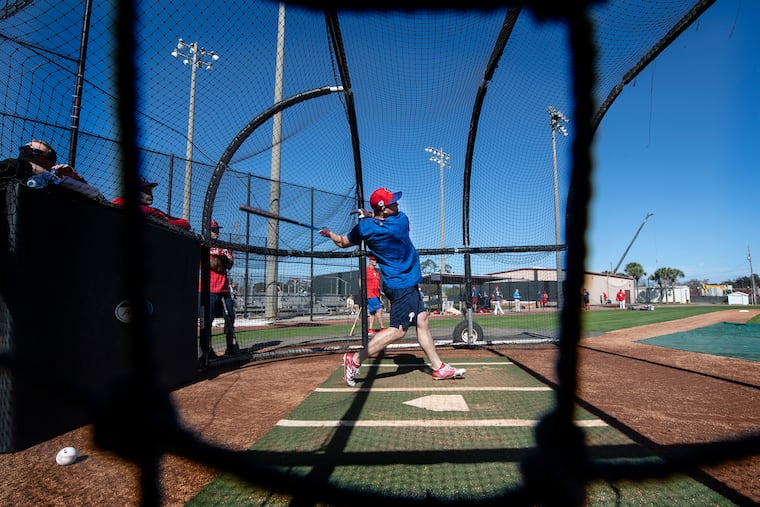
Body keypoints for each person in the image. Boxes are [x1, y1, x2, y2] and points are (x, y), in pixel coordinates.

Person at [320, 187, 466, 385]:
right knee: (398, 330)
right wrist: (370, 216)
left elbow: (343, 242)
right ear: (384, 210)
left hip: (402, 283)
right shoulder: (402, 220)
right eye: (392, 203)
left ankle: (438, 367)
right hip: (402, 285)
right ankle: (354, 360)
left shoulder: (365, 228)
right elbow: (382, 220)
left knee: (422, 321)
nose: (397, 204)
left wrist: (330, 234)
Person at [1, 139, 104, 199]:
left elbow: (98, 197)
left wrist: (74, 178)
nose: (24, 152)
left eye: (32, 151)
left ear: (48, 162)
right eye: (23, 149)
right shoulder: (11, 166)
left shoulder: (61, 183)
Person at [200, 220, 240, 357]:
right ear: (207, 230)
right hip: (208, 289)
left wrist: (221, 257)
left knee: (230, 317)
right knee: (207, 319)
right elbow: (212, 264)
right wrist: (221, 259)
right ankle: (207, 350)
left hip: (224, 288)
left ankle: (230, 347)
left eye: (217, 229)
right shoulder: (202, 245)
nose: (216, 232)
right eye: (213, 229)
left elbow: (229, 264)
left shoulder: (224, 246)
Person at [111, 177, 191, 230]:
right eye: (146, 191)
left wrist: (164, 221)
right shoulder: (122, 202)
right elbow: (117, 202)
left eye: (150, 190)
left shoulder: (156, 211)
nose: (150, 194)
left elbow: (185, 223)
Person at [364, 256, 386, 336]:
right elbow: (360, 280)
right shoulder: (366, 270)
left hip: (376, 295)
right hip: (369, 295)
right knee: (379, 310)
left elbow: (378, 286)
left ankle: (370, 329)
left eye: (376, 260)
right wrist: (363, 291)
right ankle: (382, 327)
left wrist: (379, 297)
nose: (375, 261)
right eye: (373, 260)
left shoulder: (376, 273)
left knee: (372, 312)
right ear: (370, 261)